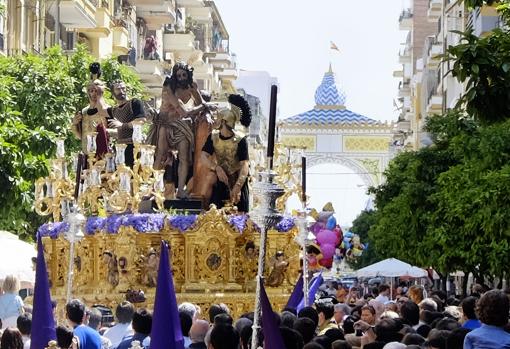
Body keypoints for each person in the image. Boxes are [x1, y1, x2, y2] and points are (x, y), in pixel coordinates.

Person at [147, 62, 207, 199]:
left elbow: (199, 102)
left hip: (182, 127)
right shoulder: (169, 86)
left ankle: (180, 190)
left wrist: (196, 94)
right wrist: (202, 107)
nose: (181, 77)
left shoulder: (191, 87)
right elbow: (184, 111)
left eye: (184, 74)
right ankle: (154, 189)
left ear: (188, 75)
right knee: (161, 156)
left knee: (184, 158)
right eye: (178, 75)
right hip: (166, 124)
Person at [200, 94, 252, 212]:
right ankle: (203, 210)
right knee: (209, 179)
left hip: (237, 178)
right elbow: (203, 156)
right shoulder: (213, 137)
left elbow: (245, 165)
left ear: (222, 121)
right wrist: (216, 168)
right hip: (221, 177)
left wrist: (238, 187)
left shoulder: (241, 140)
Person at [107, 80, 145, 168]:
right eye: (118, 89)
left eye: (123, 88)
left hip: (134, 146)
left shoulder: (134, 103)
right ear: (113, 93)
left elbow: (141, 121)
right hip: (120, 147)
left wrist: (122, 125)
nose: (121, 91)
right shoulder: (114, 110)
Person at [71, 75, 111, 159]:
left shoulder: (107, 110)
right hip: (87, 154)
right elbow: (80, 136)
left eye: (96, 91)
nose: (93, 93)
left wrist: (103, 132)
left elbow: (117, 130)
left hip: (103, 154)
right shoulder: (83, 112)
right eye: (91, 91)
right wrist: (74, 124)